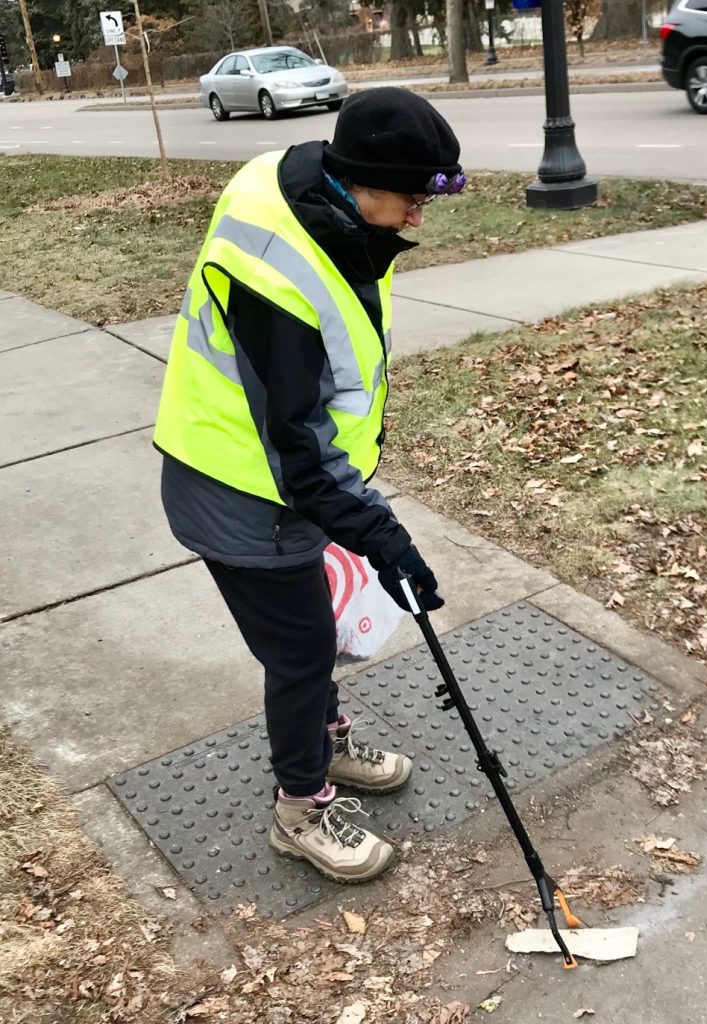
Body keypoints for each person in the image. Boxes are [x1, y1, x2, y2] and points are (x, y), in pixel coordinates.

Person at [154, 87, 465, 884]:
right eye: (408, 200)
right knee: (299, 653)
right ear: (358, 185)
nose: (416, 218)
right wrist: (382, 534)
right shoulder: (274, 275)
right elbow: (296, 448)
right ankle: (300, 808)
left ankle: (326, 743)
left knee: (311, 634)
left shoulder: (315, 202)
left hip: (275, 482)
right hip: (241, 490)